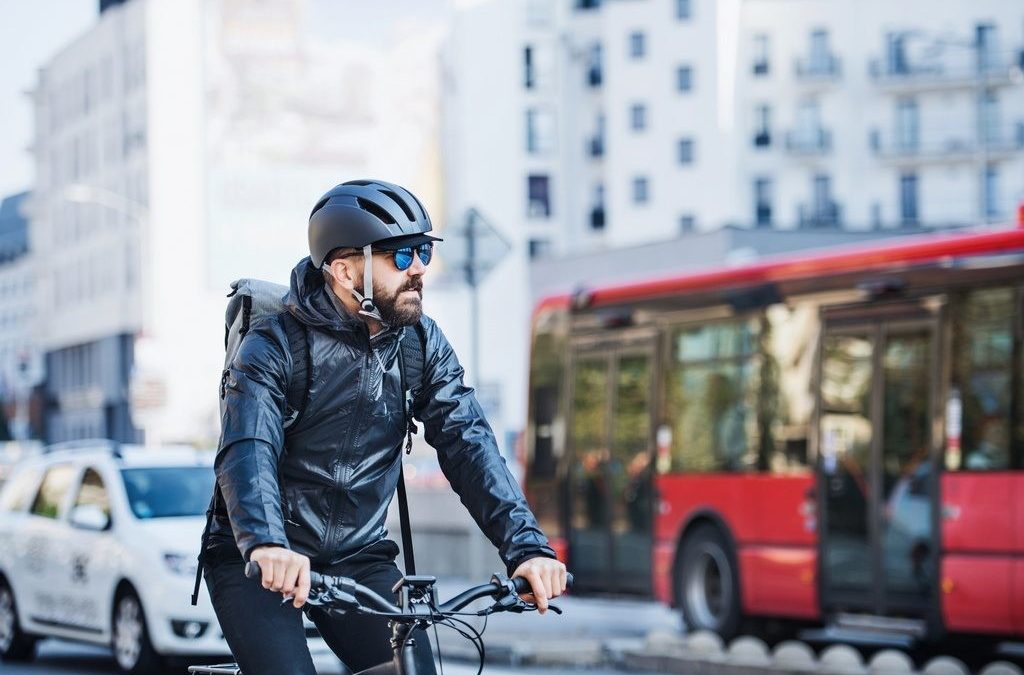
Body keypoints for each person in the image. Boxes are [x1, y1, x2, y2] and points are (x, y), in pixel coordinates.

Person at [204, 179, 566, 675]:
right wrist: (267, 543)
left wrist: (526, 548)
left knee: (411, 671)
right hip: (264, 557)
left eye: (422, 252)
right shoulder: (274, 346)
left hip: (359, 556)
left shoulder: (419, 343)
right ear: (344, 269)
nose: (418, 269)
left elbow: (469, 442)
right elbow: (249, 449)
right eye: (399, 257)